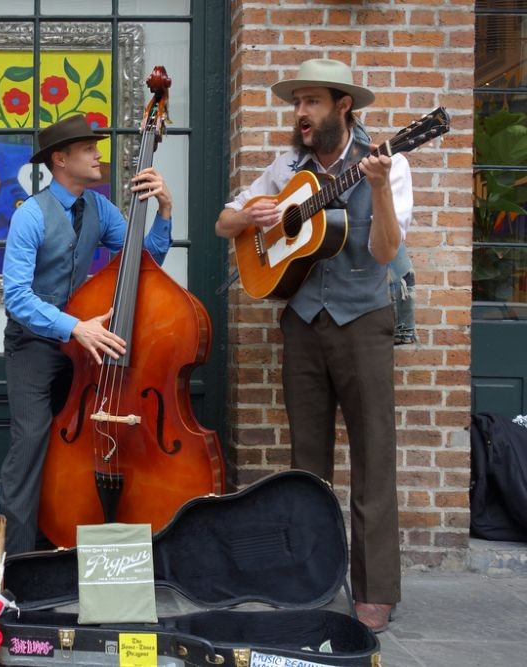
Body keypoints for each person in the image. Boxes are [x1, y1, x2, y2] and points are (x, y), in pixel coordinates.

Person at [214, 59, 413, 633]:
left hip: (364, 318)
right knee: (307, 461)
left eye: (312, 103)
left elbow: (383, 252)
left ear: (343, 106)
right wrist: (252, 213)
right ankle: (309, 575)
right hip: (302, 320)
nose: (300, 114)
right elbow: (228, 223)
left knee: (374, 454)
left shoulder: (387, 163)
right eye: (296, 102)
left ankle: (375, 588)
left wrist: (377, 190)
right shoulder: (286, 166)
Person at [0, 114, 175, 555]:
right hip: (34, 345)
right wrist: (75, 327)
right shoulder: (30, 216)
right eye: (87, 149)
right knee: (32, 443)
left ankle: (71, 546)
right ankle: (19, 565)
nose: (99, 155)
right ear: (60, 160)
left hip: (84, 346)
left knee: (78, 447)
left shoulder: (100, 209)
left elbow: (146, 262)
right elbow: (16, 297)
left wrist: (164, 211)